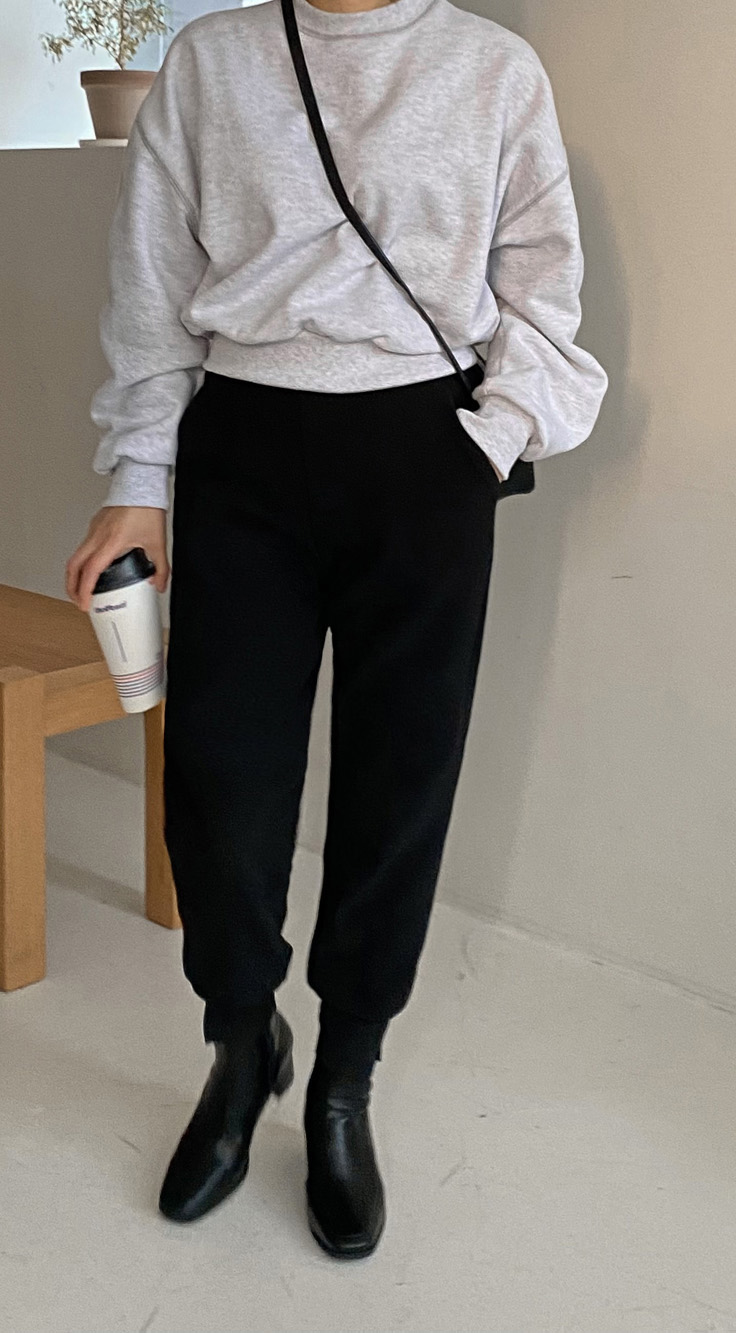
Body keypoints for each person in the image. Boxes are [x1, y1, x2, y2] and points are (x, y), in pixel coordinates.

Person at [65, 0, 607, 1259]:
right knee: (220, 778)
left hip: (425, 454)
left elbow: (543, 286)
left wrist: (485, 443)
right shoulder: (213, 61)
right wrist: (137, 477)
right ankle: (241, 1042)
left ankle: (344, 1078)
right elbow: (152, 283)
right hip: (245, 446)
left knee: (398, 784)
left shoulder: (492, 70)